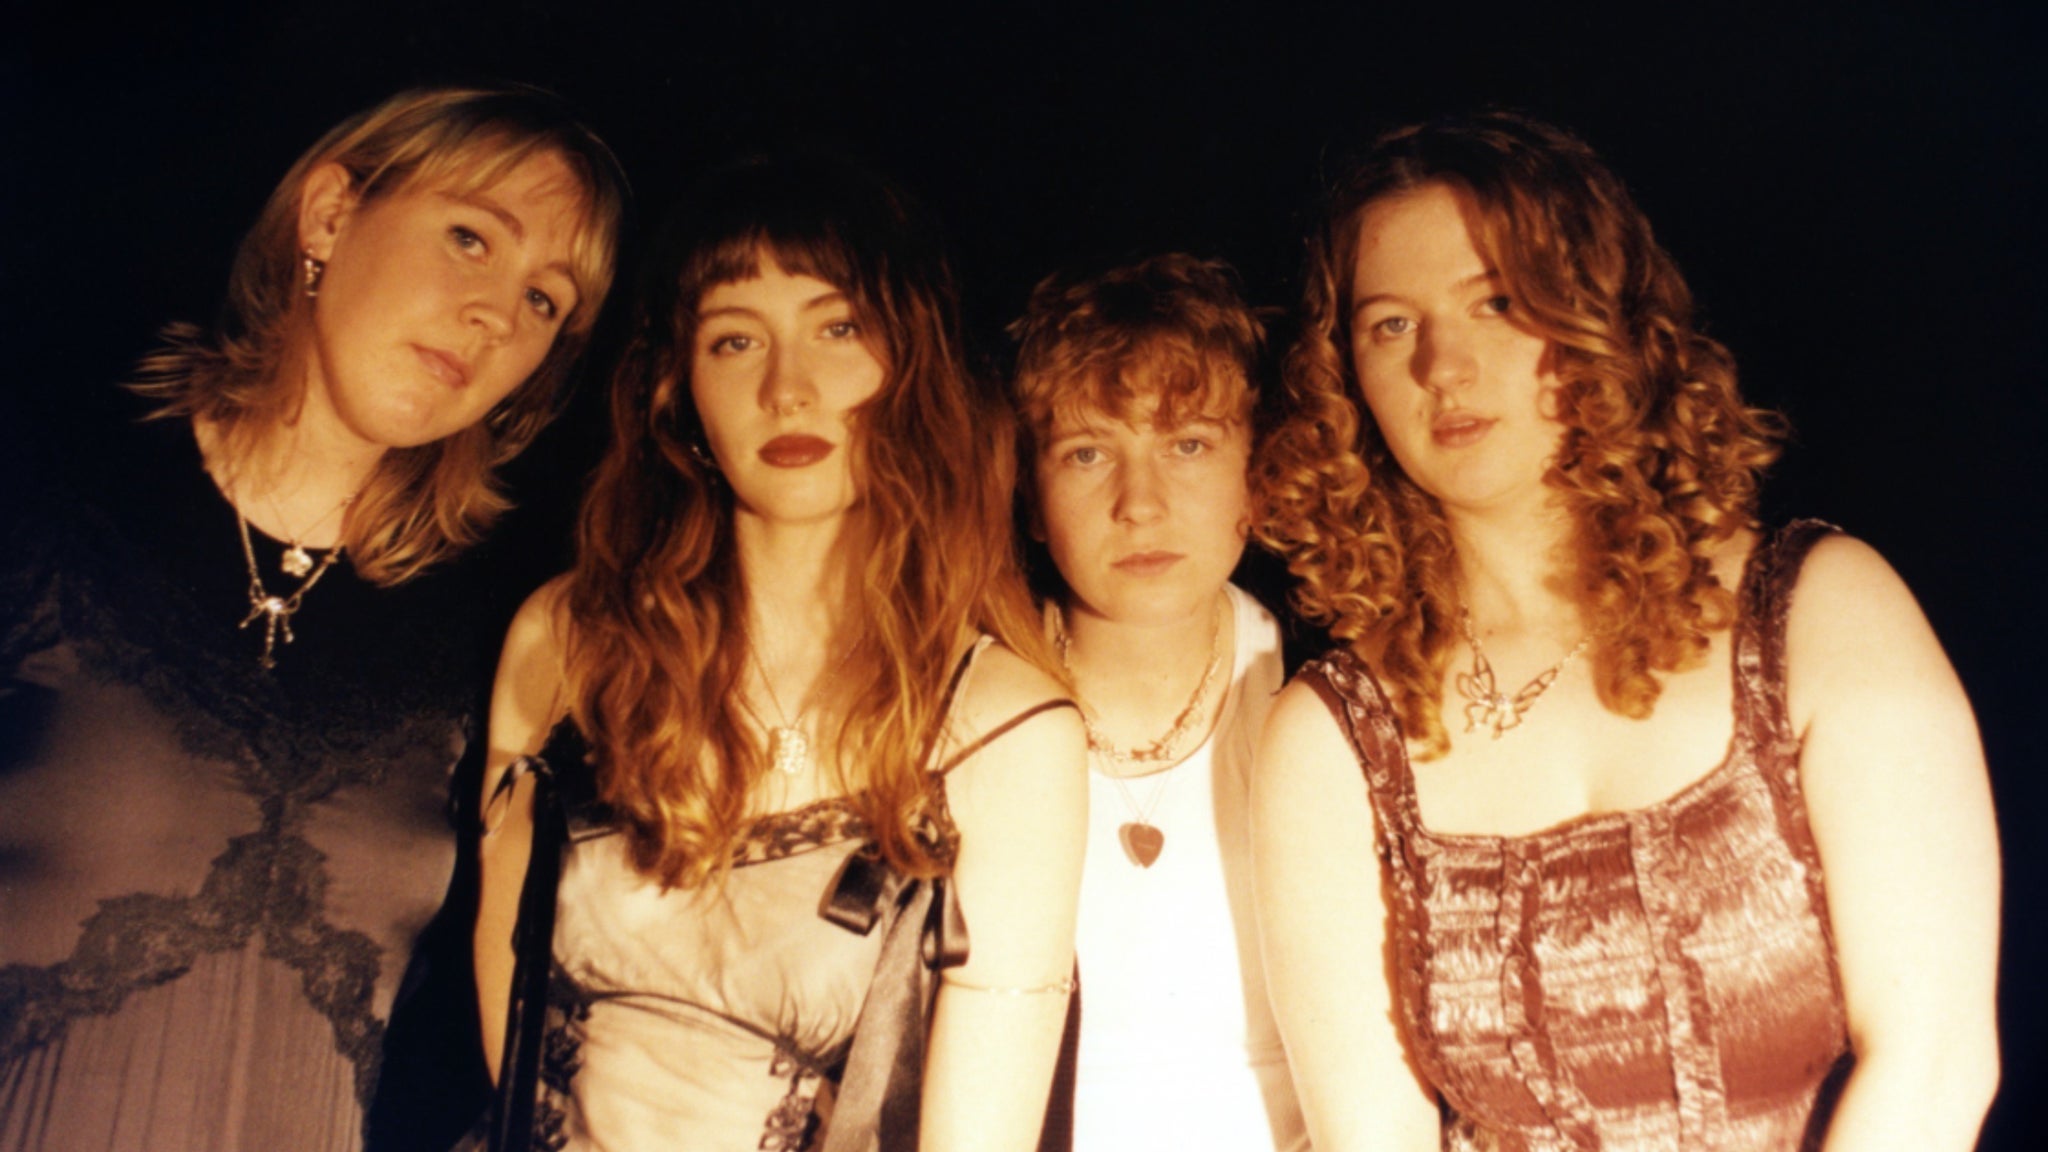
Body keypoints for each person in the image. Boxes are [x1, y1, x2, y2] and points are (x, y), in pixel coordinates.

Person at [1252, 112, 2000, 1151]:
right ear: (1342, 377)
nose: (1443, 365)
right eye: (1389, 325)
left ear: (1596, 315)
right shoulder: (1329, 737)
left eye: (1496, 302)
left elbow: (1934, 1060)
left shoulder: (1820, 613)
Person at [0, 86, 627, 1152]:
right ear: (330, 216)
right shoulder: (50, 500)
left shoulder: (496, 642)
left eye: (543, 301)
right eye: (471, 238)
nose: (495, 313)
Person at [474, 153, 1088, 1152]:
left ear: (910, 364)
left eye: (837, 328)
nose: (785, 388)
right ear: (679, 388)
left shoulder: (1003, 728)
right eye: (734, 340)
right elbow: (503, 1032)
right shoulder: (569, 641)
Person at [1005, 254, 1308, 1151]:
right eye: (1087, 453)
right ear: (1032, 497)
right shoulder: (974, 706)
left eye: (1188, 445)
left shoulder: (1320, 686)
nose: (1140, 504)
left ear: (1256, 472)